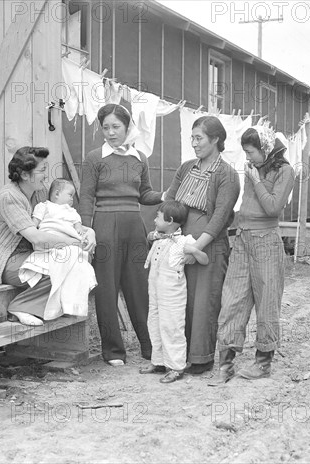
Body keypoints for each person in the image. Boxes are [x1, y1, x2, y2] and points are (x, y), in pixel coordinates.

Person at [210, 124, 295, 385]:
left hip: (266, 241)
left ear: (265, 149)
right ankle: (226, 364)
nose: (248, 158)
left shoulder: (285, 171)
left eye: (251, 152)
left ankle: (263, 362)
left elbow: (272, 208)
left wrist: (257, 181)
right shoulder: (251, 169)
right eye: (245, 153)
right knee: (233, 299)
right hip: (243, 239)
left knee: (267, 300)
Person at [79, 103, 163, 366]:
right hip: (104, 227)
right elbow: (86, 196)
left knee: (140, 287)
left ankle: (151, 347)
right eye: (106, 127)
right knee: (107, 289)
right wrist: (86, 228)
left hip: (134, 226)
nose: (111, 133)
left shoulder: (140, 158)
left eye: (116, 127)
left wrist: (165, 196)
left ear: (127, 127)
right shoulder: (95, 158)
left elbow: (145, 194)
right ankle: (114, 351)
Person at [0, 146, 96, 326]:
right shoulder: (9, 197)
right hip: (7, 260)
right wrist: (74, 242)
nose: (46, 176)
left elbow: (63, 217)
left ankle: (59, 307)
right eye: (42, 170)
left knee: (76, 261)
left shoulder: (41, 192)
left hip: (34, 255)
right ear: (25, 175)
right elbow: (35, 237)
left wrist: (90, 232)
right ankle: (20, 306)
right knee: (60, 268)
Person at [164, 116, 240, 375]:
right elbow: (171, 201)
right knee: (178, 299)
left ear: (216, 139)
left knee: (203, 302)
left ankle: (201, 358)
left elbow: (219, 216)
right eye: (192, 138)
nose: (194, 144)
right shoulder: (187, 168)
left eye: (200, 138)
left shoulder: (227, 175)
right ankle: (176, 354)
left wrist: (196, 247)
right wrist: (170, 237)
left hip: (209, 245)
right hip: (179, 241)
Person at [139, 200, 209, 383]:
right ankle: (159, 361)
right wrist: (154, 236)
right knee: (154, 322)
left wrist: (193, 250)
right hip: (154, 289)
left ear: (169, 220)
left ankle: (176, 366)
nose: (154, 220)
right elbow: (149, 236)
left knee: (172, 327)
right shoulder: (159, 237)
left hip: (172, 295)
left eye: (158, 217)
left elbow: (204, 260)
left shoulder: (184, 241)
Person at [19, 178, 97, 320]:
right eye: (69, 195)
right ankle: (57, 306)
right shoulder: (44, 207)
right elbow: (34, 224)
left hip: (68, 240)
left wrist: (85, 233)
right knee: (64, 262)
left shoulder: (72, 212)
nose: (72, 199)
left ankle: (69, 305)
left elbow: (78, 229)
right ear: (56, 194)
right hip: (50, 238)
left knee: (77, 263)